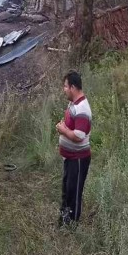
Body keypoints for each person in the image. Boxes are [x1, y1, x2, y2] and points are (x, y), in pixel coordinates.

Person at [56, 70, 92, 227]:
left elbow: (79, 135)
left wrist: (63, 131)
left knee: (74, 191)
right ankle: (65, 218)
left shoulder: (82, 108)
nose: (63, 90)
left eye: (65, 86)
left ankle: (72, 224)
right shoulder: (74, 104)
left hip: (78, 159)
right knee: (67, 189)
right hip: (70, 157)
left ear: (73, 87)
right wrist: (64, 127)